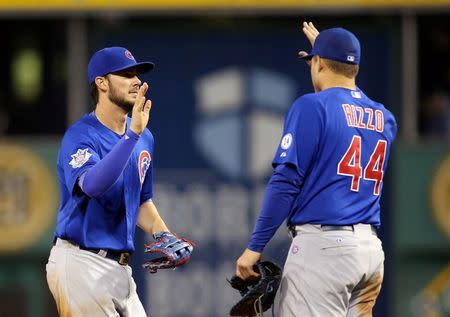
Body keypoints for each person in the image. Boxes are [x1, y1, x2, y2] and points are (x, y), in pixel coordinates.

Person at [235, 22, 397, 316]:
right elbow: (350, 98)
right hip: (370, 254)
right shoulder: (385, 117)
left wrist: (254, 248)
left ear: (318, 62)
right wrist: (331, 51)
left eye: (312, 60)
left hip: (325, 251)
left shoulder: (311, 106)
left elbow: (285, 182)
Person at [46, 47, 192, 317]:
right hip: (81, 262)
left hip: (120, 270)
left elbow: (141, 201)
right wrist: (132, 136)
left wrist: (163, 233)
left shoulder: (143, 137)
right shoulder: (81, 135)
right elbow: (91, 186)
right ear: (101, 82)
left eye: (137, 74)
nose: (136, 80)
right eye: (125, 74)